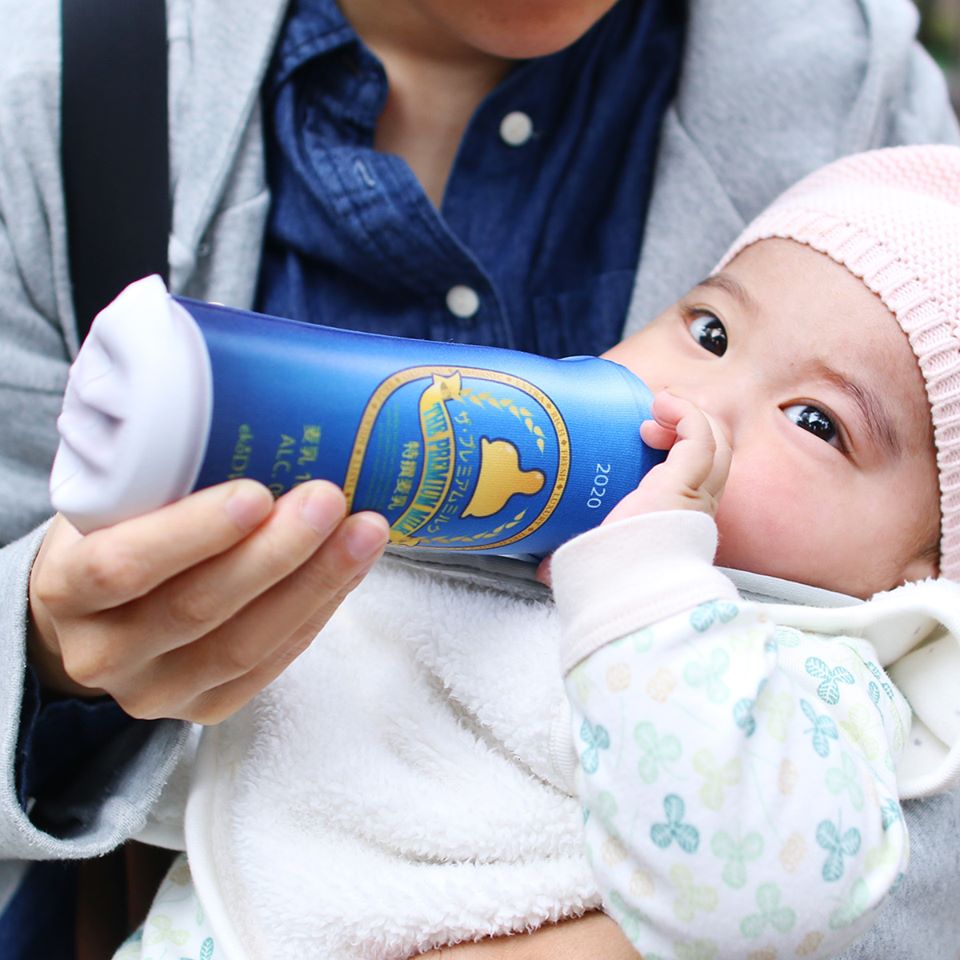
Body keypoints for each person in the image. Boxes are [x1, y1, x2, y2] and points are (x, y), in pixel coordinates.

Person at [1, 0, 959, 957]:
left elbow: (778, 880)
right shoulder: (54, 90)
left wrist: (647, 587)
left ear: (925, 570)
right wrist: (63, 665)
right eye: (708, 331)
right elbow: (250, 761)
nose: (696, 407)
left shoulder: (825, 684)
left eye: (816, 422)